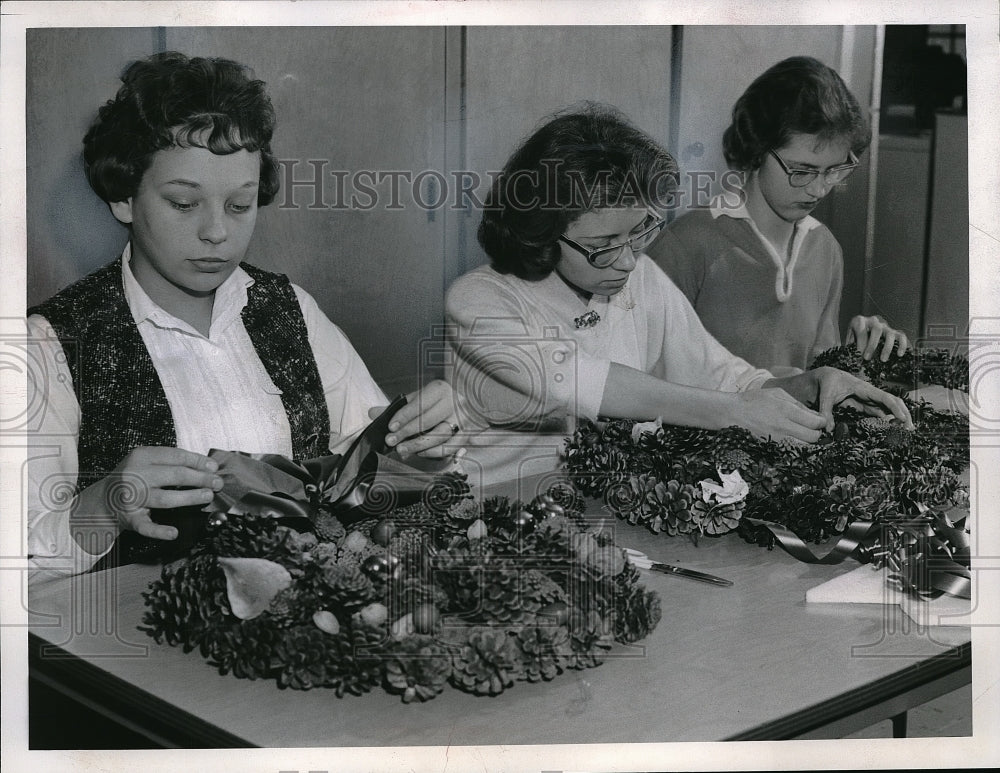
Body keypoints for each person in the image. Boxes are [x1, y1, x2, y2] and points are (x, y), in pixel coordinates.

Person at [27, 52, 461, 578]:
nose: (217, 232)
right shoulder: (51, 344)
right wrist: (100, 506)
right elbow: (17, 559)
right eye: (184, 204)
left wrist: (422, 446)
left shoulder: (290, 310)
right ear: (124, 197)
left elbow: (366, 477)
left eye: (240, 205)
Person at [444, 103, 911, 486]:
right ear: (540, 234)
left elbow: (720, 375)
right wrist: (736, 413)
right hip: (495, 509)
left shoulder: (638, 277)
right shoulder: (479, 302)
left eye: (640, 231)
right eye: (603, 246)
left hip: (602, 502)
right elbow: (585, 382)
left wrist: (805, 386)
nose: (628, 260)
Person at [648, 56, 908, 375]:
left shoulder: (824, 248)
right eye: (802, 170)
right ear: (757, 148)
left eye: (834, 171)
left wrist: (856, 357)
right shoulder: (686, 244)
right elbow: (647, 380)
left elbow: (818, 384)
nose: (819, 189)